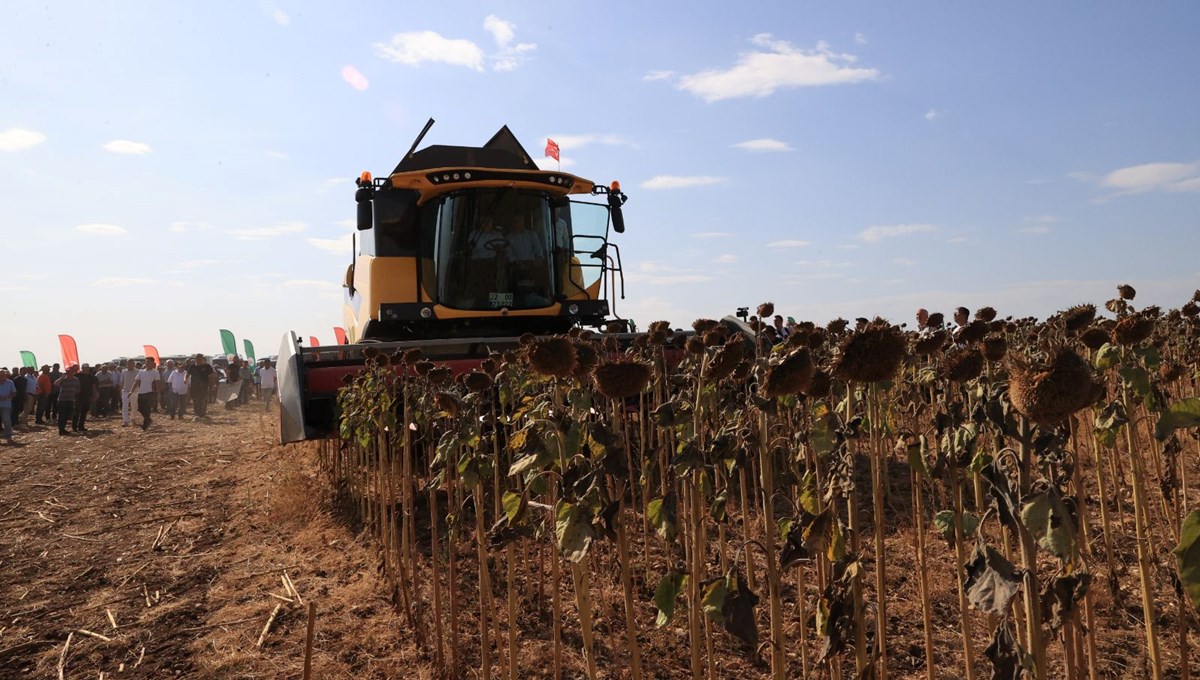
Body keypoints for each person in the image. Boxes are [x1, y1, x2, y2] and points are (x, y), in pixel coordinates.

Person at [129, 357, 160, 431]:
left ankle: (145, 425)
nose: (147, 363)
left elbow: (157, 383)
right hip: (141, 392)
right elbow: (136, 382)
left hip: (149, 393)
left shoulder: (155, 372)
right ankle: (148, 420)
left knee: (147, 409)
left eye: (148, 362)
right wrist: (131, 391)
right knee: (140, 408)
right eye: (146, 362)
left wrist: (158, 393)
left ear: (152, 363)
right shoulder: (141, 372)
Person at [186, 353, 215, 419]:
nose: (198, 360)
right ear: (195, 359)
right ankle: (197, 414)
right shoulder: (192, 366)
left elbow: (211, 376)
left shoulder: (207, 366)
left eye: (200, 359)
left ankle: (202, 414)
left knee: (203, 400)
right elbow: (187, 374)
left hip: (204, 386)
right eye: (197, 359)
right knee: (195, 400)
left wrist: (212, 385)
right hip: (194, 387)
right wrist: (185, 379)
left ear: (202, 359)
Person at [54, 366, 81, 435]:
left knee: (67, 415)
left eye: (70, 372)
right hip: (62, 400)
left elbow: (78, 389)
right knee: (62, 415)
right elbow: (55, 384)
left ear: (73, 372)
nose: (69, 373)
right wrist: (61, 378)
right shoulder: (63, 379)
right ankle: (61, 430)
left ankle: (63, 428)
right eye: (67, 372)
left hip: (71, 400)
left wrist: (74, 392)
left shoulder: (76, 380)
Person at [73, 364, 97, 432]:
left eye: (87, 368)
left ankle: (81, 426)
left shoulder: (91, 377)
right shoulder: (77, 376)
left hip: (87, 396)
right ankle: (74, 427)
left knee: (84, 412)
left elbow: (93, 386)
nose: (86, 369)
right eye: (85, 368)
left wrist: (95, 395)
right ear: (82, 368)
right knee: (77, 412)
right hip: (78, 396)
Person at [119, 359, 138, 427]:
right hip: (125, 391)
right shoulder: (124, 372)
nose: (130, 365)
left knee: (134, 406)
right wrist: (120, 391)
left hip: (135, 391)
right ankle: (125, 421)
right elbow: (122, 382)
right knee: (125, 407)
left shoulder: (138, 371)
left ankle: (133, 418)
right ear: (127, 364)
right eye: (129, 363)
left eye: (132, 363)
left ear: (134, 364)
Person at [0, 368, 15, 444]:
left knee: (6, 421)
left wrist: (7, 397)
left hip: (6, 405)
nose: (1, 376)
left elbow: (13, 392)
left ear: (5, 375)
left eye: (2, 375)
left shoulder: (10, 383)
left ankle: (9, 437)